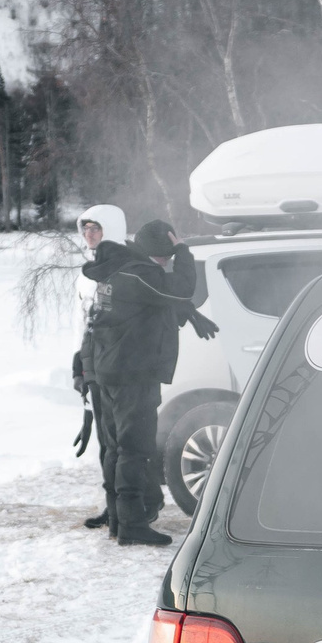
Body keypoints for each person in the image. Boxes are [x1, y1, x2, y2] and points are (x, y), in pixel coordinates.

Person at [81, 218, 217, 546]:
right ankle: (131, 525)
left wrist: (187, 312)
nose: (167, 264)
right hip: (132, 374)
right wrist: (184, 249)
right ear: (154, 253)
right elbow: (180, 287)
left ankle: (118, 519)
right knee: (134, 448)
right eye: (165, 257)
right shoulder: (139, 273)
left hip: (112, 371)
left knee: (116, 448)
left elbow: (150, 306)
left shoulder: (118, 270)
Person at [71, 203, 128, 530]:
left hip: (118, 367)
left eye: (96, 228)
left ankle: (131, 508)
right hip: (93, 367)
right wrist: (78, 369)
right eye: (85, 229)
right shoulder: (85, 274)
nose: (90, 234)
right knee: (106, 445)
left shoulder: (124, 268)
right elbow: (79, 325)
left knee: (124, 443)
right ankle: (113, 507)